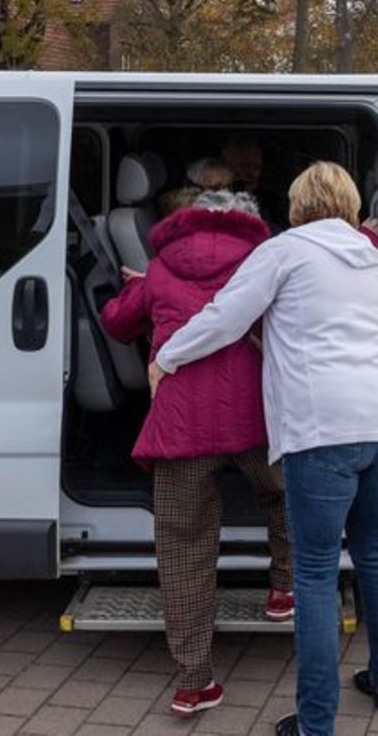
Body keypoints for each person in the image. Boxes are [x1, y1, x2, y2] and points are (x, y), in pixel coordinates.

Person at [149, 162, 378, 736]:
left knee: (317, 574)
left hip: (325, 427)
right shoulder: (371, 259)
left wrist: (168, 355)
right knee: (376, 552)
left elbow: (224, 318)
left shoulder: (283, 250)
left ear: (297, 205)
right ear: (345, 205)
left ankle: (317, 724)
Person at [100, 188, 296, 719]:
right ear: (248, 222)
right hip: (252, 417)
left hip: (180, 426)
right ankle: (284, 590)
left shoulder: (161, 268)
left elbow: (117, 324)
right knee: (286, 495)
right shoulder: (266, 264)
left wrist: (138, 293)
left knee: (184, 551)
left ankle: (194, 683)